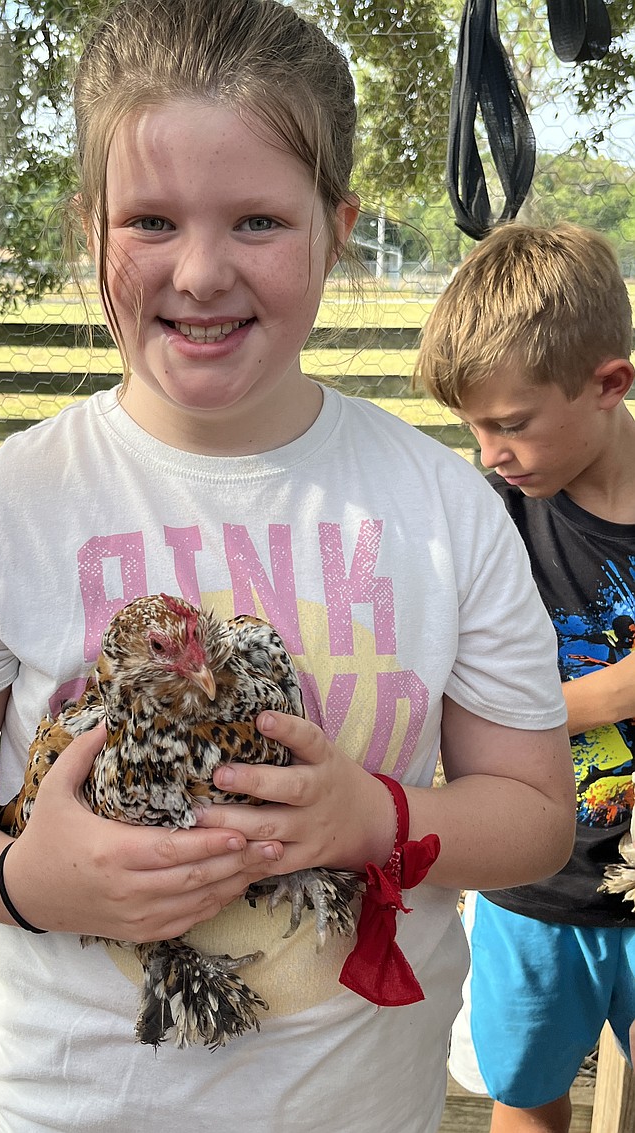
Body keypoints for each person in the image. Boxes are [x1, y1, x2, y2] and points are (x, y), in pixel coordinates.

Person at [0, 4, 574, 1130]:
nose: (199, 271)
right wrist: (19, 880)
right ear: (86, 229)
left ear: (336, 229)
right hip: (81, 1107)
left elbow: (535, 815)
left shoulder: (444, 509)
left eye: (255, 221)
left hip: (364, 1108)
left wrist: (370, 817)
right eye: (149, 218)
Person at [414, 220, 635, 1133]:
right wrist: (608, 697)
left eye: (510, 424)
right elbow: (454, 709)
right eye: (473, 427)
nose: (489, 452)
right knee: (523, 1090)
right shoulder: (488, 520)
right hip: (532, 887)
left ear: (609, 383)